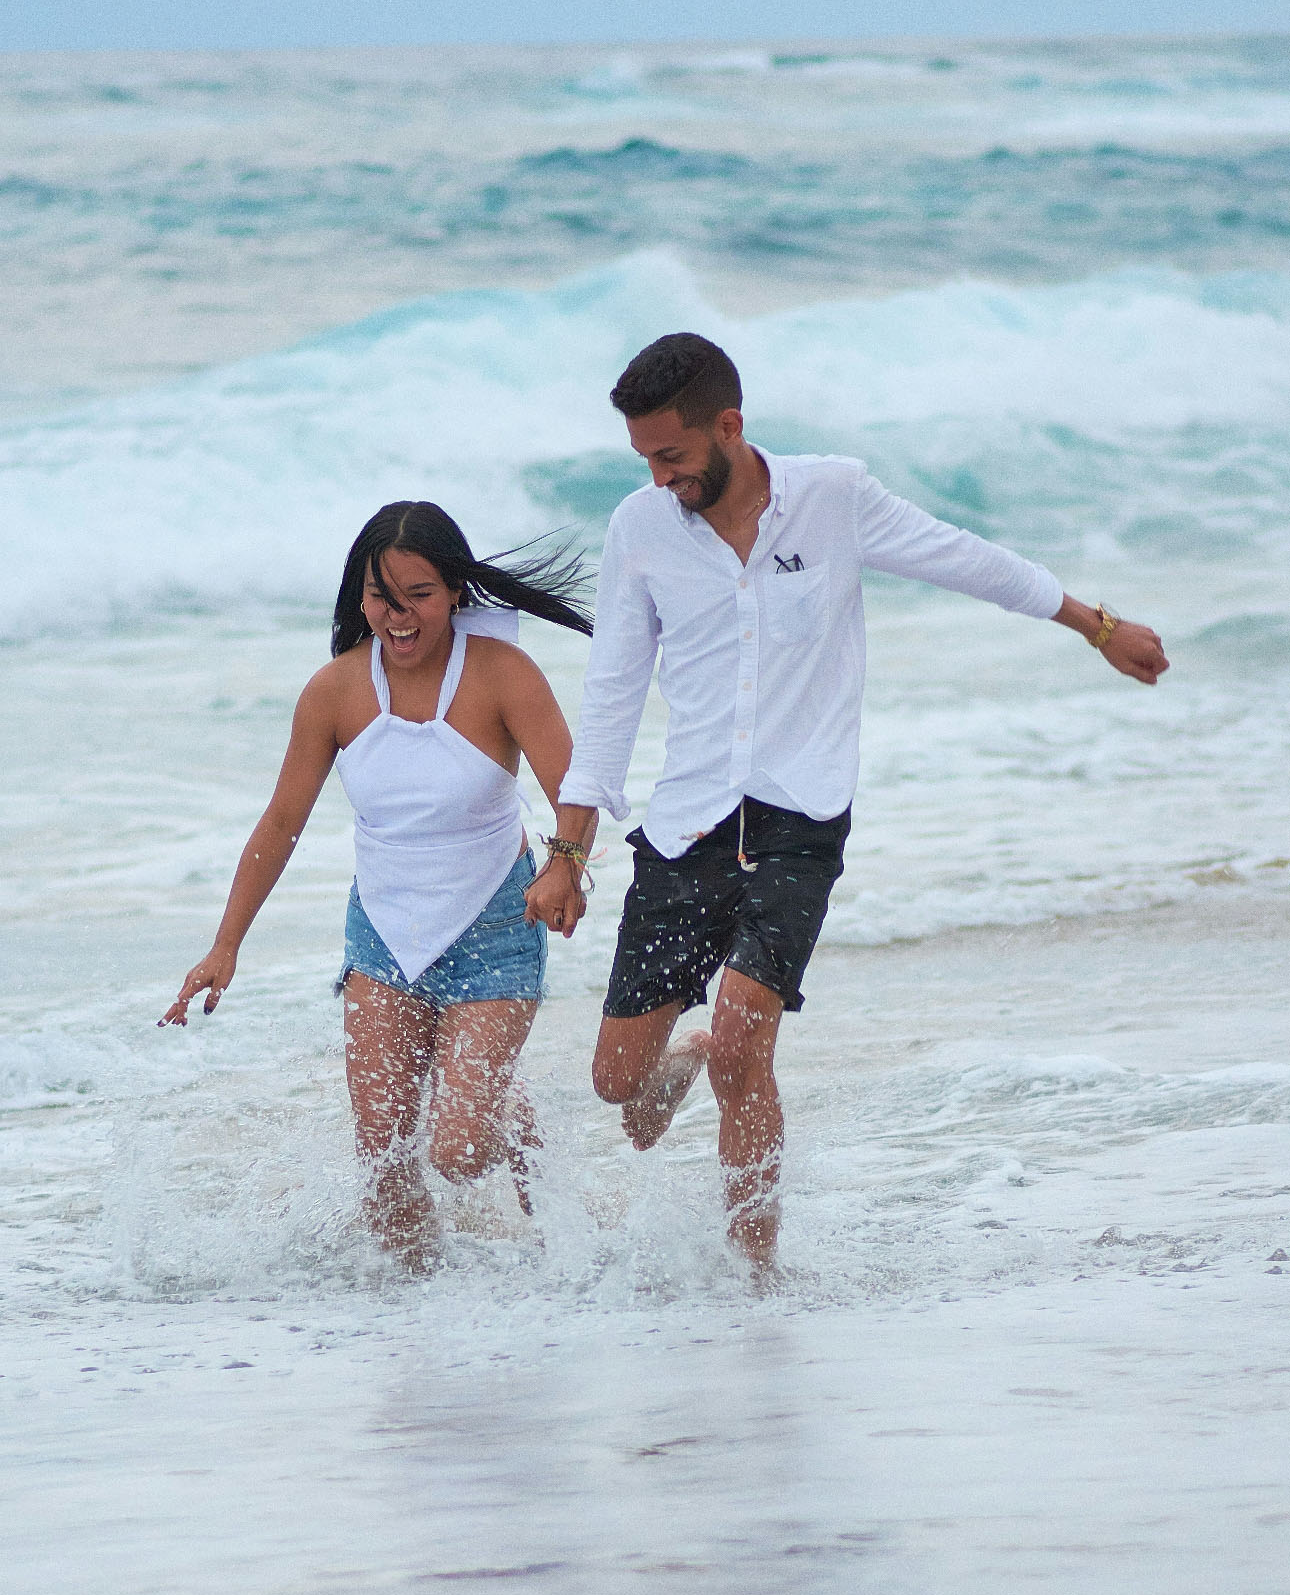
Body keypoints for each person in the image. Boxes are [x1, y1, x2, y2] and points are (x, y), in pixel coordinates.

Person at [525, 333, 1169, 1272]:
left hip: (800, 818)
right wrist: (569, 852)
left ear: (729, 427)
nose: (659, 477)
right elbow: (614, 693)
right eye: (645, 460)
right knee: (618, 1086)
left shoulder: (831, 496)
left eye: (671, 455)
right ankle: (690, 1048)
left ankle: (756, 1284)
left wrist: (1097, 626)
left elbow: (964, 558)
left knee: (752, 1047)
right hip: (686, 824)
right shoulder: (641, 528)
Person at [162, 501, 594, 1270]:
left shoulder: (502, 675)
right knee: (386, 1160)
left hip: (495, 925)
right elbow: (280, 821)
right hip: (385, 934)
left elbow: (575, 788)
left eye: (418, 595)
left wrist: (564, 864)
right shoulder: (334, 691)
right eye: (379, 596)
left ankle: (510, 1116)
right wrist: (225, 945)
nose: (397, 617)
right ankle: (415, 1327)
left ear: (456, 590)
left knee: (459, 1151)